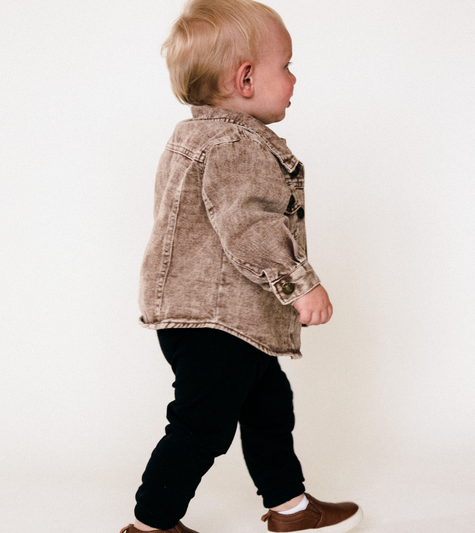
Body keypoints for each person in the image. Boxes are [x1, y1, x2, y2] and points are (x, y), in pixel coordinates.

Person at [121, 1, 363, 532]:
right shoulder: (235, 143)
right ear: (246, 78)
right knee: (202, 425)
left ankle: (289, 507)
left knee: (269, 407)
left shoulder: (191, 137)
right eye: (287, 65)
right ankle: (150, 525)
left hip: (224, 319)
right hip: (216, 321)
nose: (294, 78)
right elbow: (249, 225)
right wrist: (301, 284)